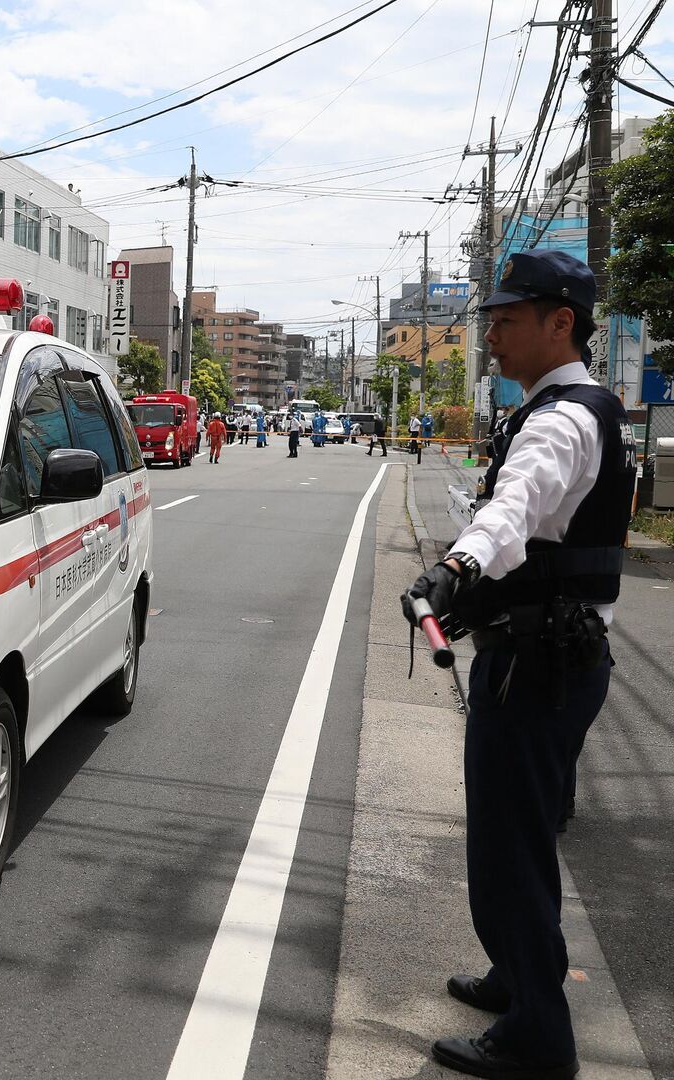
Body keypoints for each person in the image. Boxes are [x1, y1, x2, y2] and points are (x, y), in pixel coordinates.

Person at [402, 250, 628, 1080]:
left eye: (506, 319)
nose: (490, 333)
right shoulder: (562, 406)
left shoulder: (561, 419)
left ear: (559, 321)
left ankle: (539, 1039)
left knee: (510, 849)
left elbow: (515, 507)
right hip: (551, 656)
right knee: (517, 838)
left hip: (534, 668)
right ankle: (514, 977)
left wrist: (455, 569)